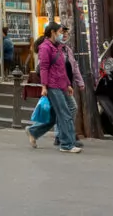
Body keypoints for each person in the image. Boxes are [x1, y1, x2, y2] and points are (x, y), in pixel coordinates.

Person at [28, 23, 78, 152]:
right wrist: (44, 86)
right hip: (52, 85)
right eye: (60, 32)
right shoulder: (45, 48)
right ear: (52, 32)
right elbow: (44, 68)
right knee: (65, 113)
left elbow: (61, 69)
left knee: (55, 116)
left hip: (61, 84)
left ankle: (33, 131)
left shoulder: (58, 47)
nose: (62, 34)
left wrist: (68, 84)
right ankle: (67, 144)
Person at [56, 25, 85, 146]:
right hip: (58, 85)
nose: (65, 34)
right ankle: (66, 135)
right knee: (71, 108)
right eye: (62, 32)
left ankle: (61, 135)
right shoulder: (54, 49)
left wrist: (80, 82)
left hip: (68, 84)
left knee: (62, 111)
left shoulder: (67, 49)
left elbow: (75, 67)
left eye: (66, 32)